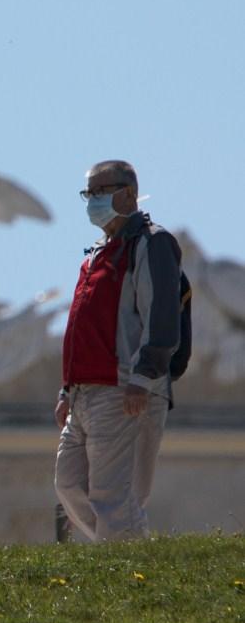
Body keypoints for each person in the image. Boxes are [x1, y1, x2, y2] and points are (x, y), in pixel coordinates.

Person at [54, 160, 181, 541]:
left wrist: (142, 379)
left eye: (100, 192)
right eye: (88, 193)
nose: (92, 201)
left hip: (124, 387)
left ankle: (128, 567)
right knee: (69, 485)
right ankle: (127, 549)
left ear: (128, 192)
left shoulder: (151, 243)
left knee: (111, 496)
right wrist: (66, 390)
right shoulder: (96, 252)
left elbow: (161, 315)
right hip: (83, 394)